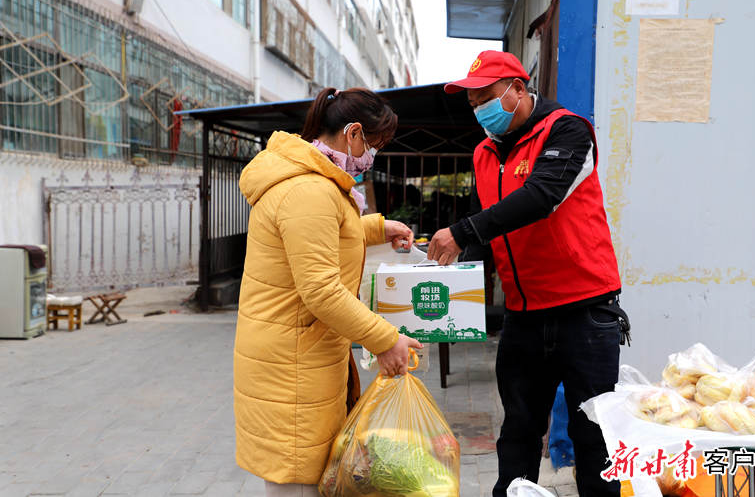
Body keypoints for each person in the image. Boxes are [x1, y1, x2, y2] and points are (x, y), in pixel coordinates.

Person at [427, 50, 628, 497]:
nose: (480, 109)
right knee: (517, 432)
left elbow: (541, 197)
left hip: (585, 312)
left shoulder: (567, 131)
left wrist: (460, 232)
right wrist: (432, 276)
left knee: (594, 440)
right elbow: (491, 223)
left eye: (487, 97)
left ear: (518, 88)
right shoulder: (483, 152)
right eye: (473, 101)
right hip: (524, 315)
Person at [235, 87, 423, 497]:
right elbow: (320, 290)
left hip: (298, 353)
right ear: (353, 134)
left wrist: (377, 227)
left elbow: (325, 234)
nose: (373, 156)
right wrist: (385, 339)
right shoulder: (309, 190)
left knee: (310, 478)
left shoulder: (316, 183)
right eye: (374, 145)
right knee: (300, 481)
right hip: (294, 365)